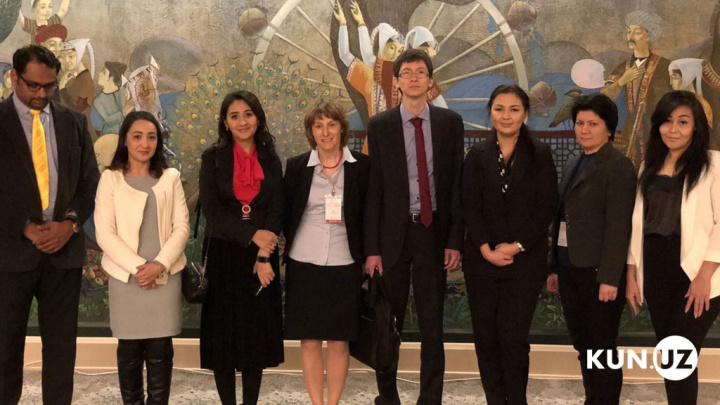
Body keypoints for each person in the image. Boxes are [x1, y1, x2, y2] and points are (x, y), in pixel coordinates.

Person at [364, 48, 464, 405]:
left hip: (432, 233)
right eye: (406, 72)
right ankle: (388, 396)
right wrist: (372, 249)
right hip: (393, 235)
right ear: (397, 81)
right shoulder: (381, 125)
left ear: (430, 80)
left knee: (431, 325)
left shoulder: (450, 123)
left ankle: (430, 399)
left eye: (420, 72)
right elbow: (374, 190)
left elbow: (456, 185)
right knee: (386, 322)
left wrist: (455, 239)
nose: (414, 78)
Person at [0, 45, 99, 404]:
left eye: (50, 85)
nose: (42, 94)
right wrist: (24, 226)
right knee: (4, 349)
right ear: (14, 78)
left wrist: (70, 225)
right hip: (10, 254)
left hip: (63, 253)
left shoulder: (73, 122)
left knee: (61, 350)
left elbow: (90, 182)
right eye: (34, 85)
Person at [462, 84, 557, 405]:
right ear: (490, 112)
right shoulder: (476, 155)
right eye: (499, 108)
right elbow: (470, 207)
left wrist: (516, 246)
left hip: (524, 262)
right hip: (481, 262)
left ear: (525, 114)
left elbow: (545, 208)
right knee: (486, 339)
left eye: (514, 109)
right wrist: (485, 249)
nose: (506, 116)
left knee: (513, 338)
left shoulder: (540, 154)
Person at [626, 90, 720, 404]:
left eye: (683, 122)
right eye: (667, 121)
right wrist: (631, 273)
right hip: (655, 269)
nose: (673, 129)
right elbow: (638, 224)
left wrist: (703, 277)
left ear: (696, 127)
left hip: (697, 272)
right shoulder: (648, 166)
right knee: (670, 355)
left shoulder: (713, 163)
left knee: (680, 349)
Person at [94, 111, 190, 404]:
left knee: (161, 352)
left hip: (164, 278)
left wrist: (158, 266)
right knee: (130, 353)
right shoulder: (110, 179)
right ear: (125, 139)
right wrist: (140, 269)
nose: (144, 144)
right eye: (137, 137)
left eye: (151, 137)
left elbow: (182, 228)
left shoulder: (171, 178)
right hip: (127, 280)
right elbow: (105, 233)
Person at [547, 93, 636, 405]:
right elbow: (561, 220)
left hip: (599, 273)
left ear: (609, 129)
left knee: (601, 347)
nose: (584, 129)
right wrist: (554, 268)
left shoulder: (619, 166)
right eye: (580, 123)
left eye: (593, 124)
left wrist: (610, 278)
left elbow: (619, 227)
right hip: (570, 268)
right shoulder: (575, 161)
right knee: (583, 345)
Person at [199, 90, 284, 405]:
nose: (242, 121)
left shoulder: (270, 158)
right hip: (223, 254)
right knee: (223, 339)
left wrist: (263, 252)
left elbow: (277, 208)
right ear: (225, 122)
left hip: (261, 257)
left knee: (253, 338)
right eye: (234, 116)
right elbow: (212, 211)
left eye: (248, 114)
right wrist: (251, 235)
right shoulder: (212, 158)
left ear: (258, 118)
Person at [283, 99, 370, 405]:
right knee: (309, 341)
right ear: (311, 131)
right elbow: (285, 213)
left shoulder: (362, 167)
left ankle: (332, 402)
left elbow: (370, 216)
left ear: (342, 128)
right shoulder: (296, 167)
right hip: (303, 263)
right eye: (318, 125)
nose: (325, 131)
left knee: (338, 341)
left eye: (331, 124)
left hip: (345, 263)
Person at [601, 10, 672, 167]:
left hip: (658, 130)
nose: (630, 37)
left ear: (649, 35)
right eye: (629, 31)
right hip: (630, 131)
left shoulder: (666, 66)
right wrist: (622, 81)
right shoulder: (623, 68)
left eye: (637, 32)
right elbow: (603, 97)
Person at [92, 61, 129, 136]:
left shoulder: (123, 92)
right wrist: (124, 112)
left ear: (112, 78)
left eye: (104, 73)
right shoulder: (98, 100)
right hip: (109, 136)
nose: (99, 74)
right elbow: (108, 121)